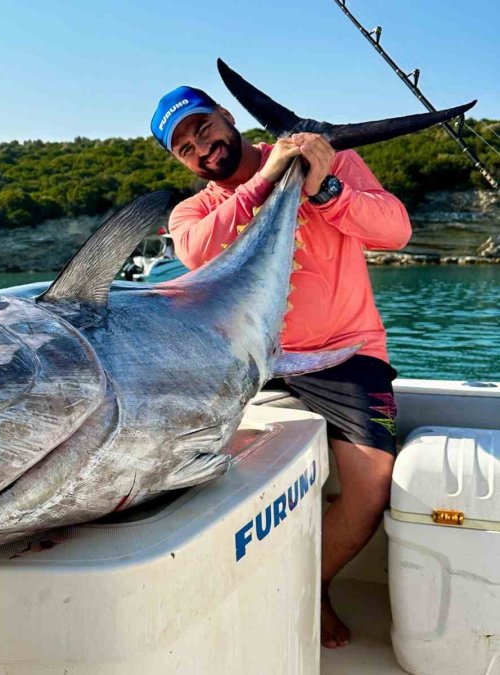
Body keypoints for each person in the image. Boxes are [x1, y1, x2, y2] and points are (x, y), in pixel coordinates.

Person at [151, 85, 410, 649]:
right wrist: (267, 178)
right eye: (185, 148)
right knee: (188, 480)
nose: (202, 148)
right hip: (250, 363)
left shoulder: (329, 161)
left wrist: (326, 187)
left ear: (227, 115)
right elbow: (195, 252)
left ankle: (314, 584)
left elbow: (396, 231)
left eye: (203, 128)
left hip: (345, 353)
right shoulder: (194, 211)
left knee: (371, 487)